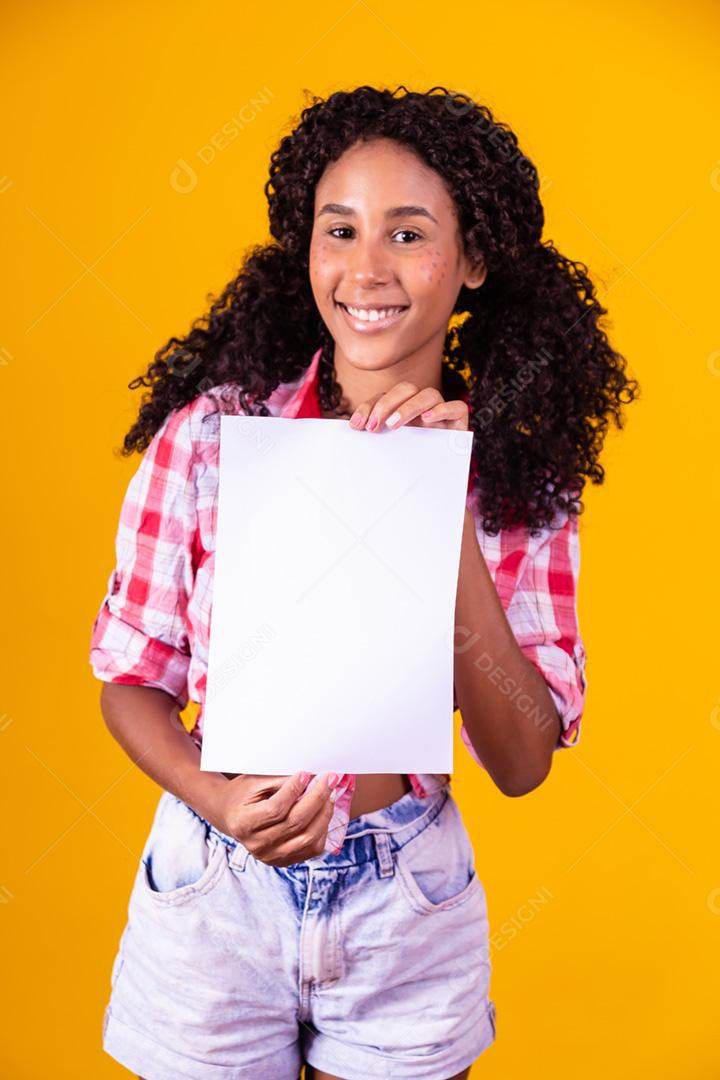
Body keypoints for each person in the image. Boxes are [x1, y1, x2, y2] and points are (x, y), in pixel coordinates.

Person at [89, 85, 639, 1080]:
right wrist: (215, 800)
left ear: (471, 262)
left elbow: (520, 759)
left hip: (405, 900)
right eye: (338, 229)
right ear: (306, 248)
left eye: (409, 233)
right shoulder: (212, 435)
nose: (366, 269)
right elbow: (131, 680)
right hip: (217, 888)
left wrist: (448, 508)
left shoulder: (522, 483)